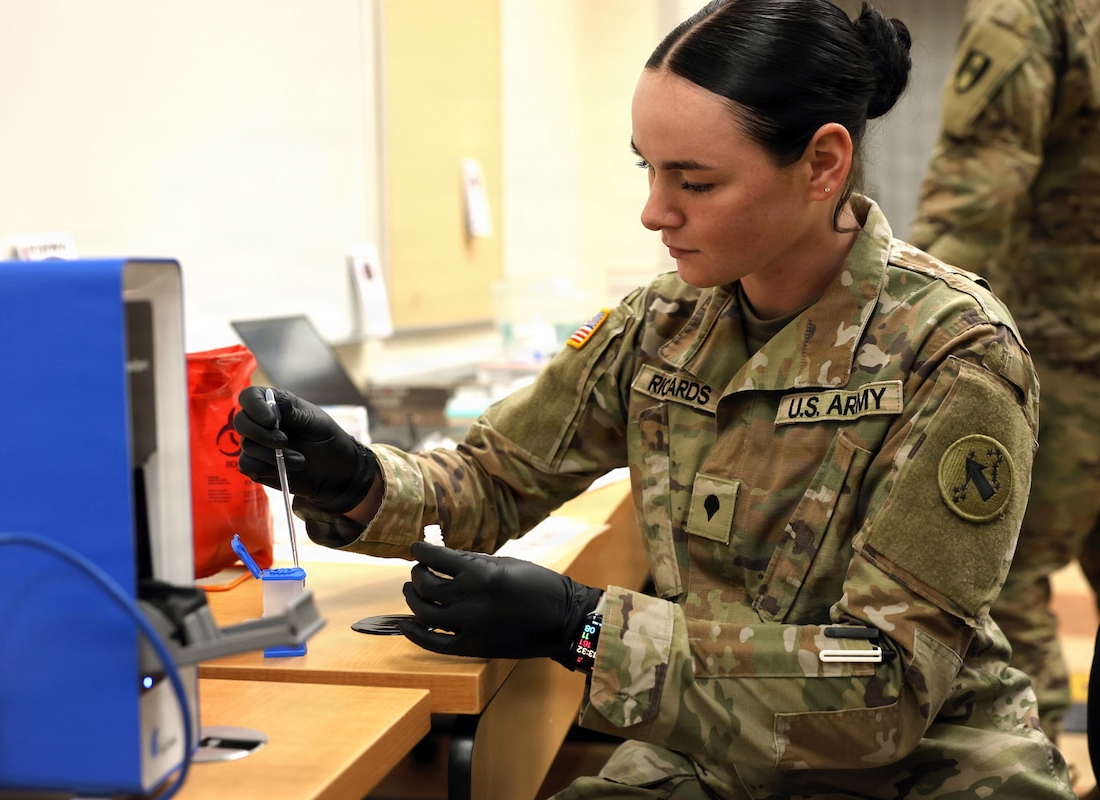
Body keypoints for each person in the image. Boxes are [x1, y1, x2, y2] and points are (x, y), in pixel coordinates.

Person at [236, 1, 1073, 796]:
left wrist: (586, 626)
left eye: (696, 182)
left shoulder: (953, 354)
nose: (653, 211)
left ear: (822, 164)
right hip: (717, 760)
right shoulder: (665, 323)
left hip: (925, 772)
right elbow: (494, 479)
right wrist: (357, 482)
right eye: (648, 169)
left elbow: (883, 690)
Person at [909, 0, 1100, 749]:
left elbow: (981, 179)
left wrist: (912, 327)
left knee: (1004, 571)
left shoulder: (1033, 7)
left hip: (1063, 355)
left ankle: (1036, 764)